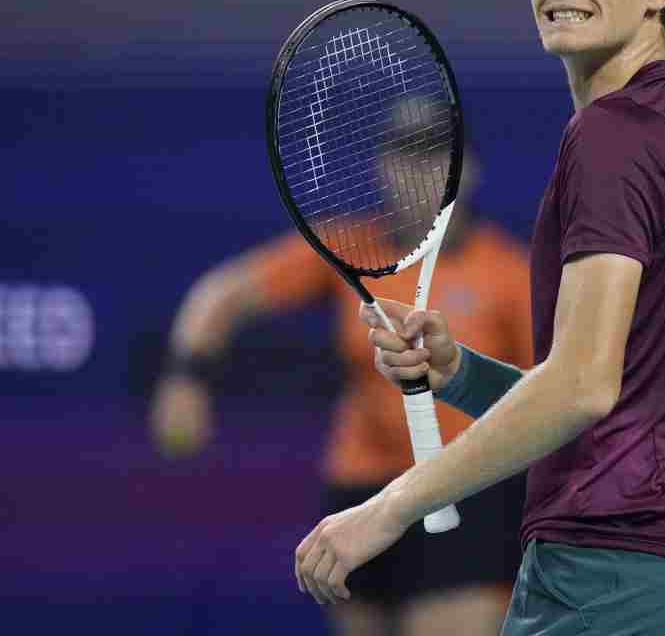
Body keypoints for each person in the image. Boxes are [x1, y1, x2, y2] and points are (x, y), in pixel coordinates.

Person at [294, 0, 665, 634]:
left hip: (613, 571)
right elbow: (620, 402)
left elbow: (580, 387)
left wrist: (390, 507)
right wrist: (461, 375)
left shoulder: (612, 137)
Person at [150, 149, 531, 636]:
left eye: (436, 157)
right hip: (359, 489)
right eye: (406, 157)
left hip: (465, 494)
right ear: (382, 168)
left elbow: (538, 394)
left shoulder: (510, 272)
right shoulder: (347, 246)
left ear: (470, 170)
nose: (420, 173)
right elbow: (217, 296)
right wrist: (186, 378)